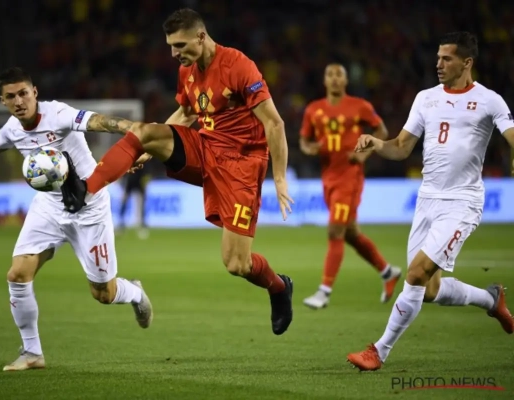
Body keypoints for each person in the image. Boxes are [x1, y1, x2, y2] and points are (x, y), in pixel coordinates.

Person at [60, 8, 295, 335]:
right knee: (142, 131)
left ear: (201, 36)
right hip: (205, 148)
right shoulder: (187, 70)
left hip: (242, 165)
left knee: (236, 264)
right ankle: (87, 187)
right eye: (171, 46)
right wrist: (146, 148)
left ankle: (279, 287)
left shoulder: (238, 65)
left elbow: (274, 123)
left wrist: (279, 178)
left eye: (180, 45)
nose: (174, 54)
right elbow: (185, 113)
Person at [0, 67, 154, 371]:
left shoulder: (58, 114)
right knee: (17, 274)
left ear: (34, 93)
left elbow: (98, 121)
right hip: (49, 207)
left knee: (103, 294)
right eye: (11, 96)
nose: (19, 101)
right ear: (3, 101)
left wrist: (131, 127)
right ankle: (32, 352)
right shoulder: (12, 130)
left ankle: (134, 292)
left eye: (23, 93)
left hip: (90, 208)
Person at [346, 32, 514, 371]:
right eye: (438, 57)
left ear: (466, 63)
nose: (438, 64)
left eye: (446, 58)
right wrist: (376, 143)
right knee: (430, 289)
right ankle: (491, 300)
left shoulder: (489, 100)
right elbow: (401, 147)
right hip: (427, 201)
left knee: (416, 273)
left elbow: (511, 135)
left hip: (462, 202)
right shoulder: (426, 98)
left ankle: (378, 351)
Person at [300, 64, 401, 309]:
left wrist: (364, 154)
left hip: (350, 177)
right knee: (351, 234)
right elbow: (304, 139)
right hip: (328, 178)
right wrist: (310, 148)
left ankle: (324, 292)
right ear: (324, 81)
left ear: (346, 81)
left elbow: (381, 130)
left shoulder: (359, 106)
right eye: (330, 75)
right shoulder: (313, 109)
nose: (335, 79)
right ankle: (388, 272)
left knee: (335, 231)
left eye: (339, 75)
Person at [117, 166, 150, 239]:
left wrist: (144, 184)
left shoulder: (142, 161)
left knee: (141, 206)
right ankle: (121, 225)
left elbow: (145, 172)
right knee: (124, 204)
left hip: (139, 182)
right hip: (129, 182)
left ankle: (142, 226)